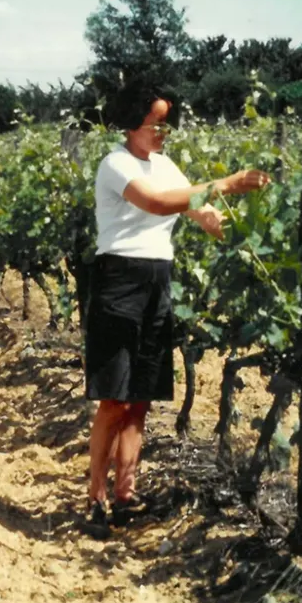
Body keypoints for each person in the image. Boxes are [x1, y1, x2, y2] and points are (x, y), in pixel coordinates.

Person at [85, 77, 270, 531]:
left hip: (157, 282)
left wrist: (225, 224)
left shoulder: (166, 165)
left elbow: (194, 208)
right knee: (114, 398)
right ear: (132, 123)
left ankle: (126, 494)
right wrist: (225, 184)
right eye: (156, 124)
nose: (163, 133)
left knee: (141, 398)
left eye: (167, 125)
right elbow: (158, 203)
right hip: (119, 282)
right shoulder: (115, 164)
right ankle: (95, 499)